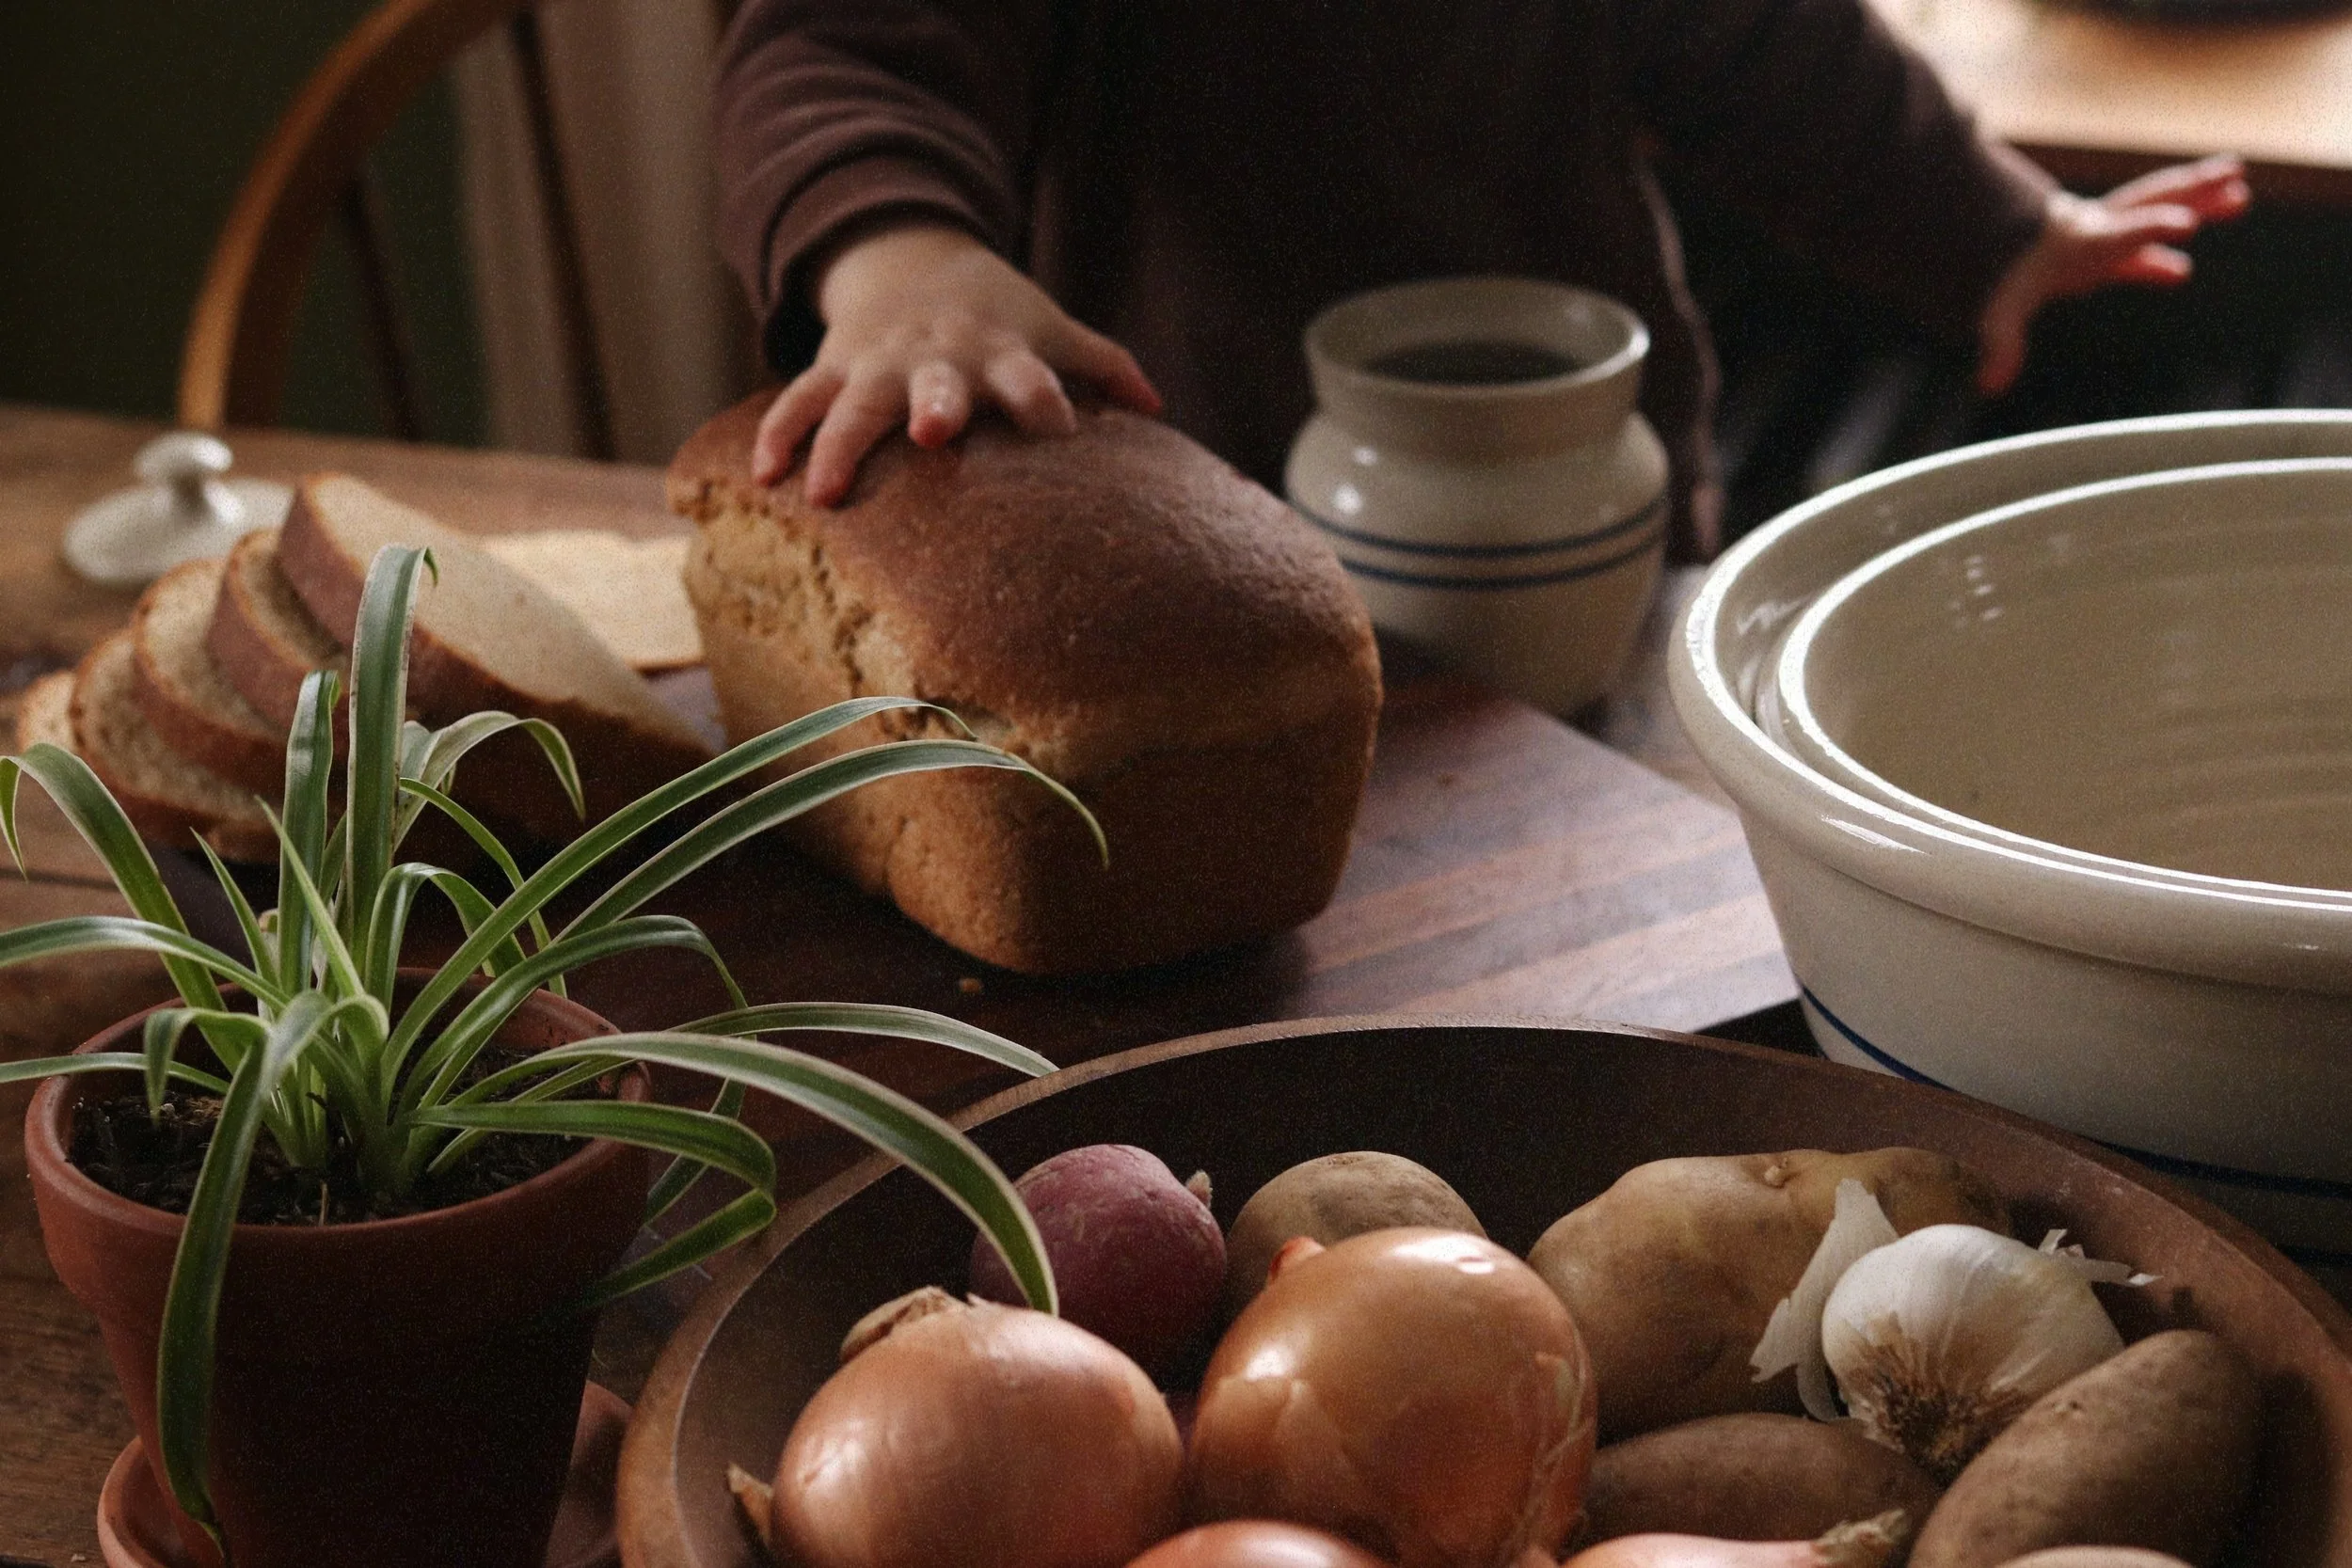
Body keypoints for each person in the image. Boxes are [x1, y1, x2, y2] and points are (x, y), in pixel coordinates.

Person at [712, 2, 2248, 561]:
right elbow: (846, 50)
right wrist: (905, 261)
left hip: (1592, 502)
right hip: (1201, 520)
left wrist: (1993, 232)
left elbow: (1775, 55)